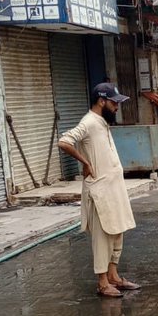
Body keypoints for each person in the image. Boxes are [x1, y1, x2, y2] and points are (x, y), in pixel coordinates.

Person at [59, 82, 139, 299]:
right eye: (114, 102)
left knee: (117, 232)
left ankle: (113, 276)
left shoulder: (102, 122)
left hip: (114, 189)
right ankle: (103, 283)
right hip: (99, 191)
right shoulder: (88, 123)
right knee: (103, 237)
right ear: (101, 101)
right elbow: (64, 142)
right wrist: (85, 162)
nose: (117, 107)